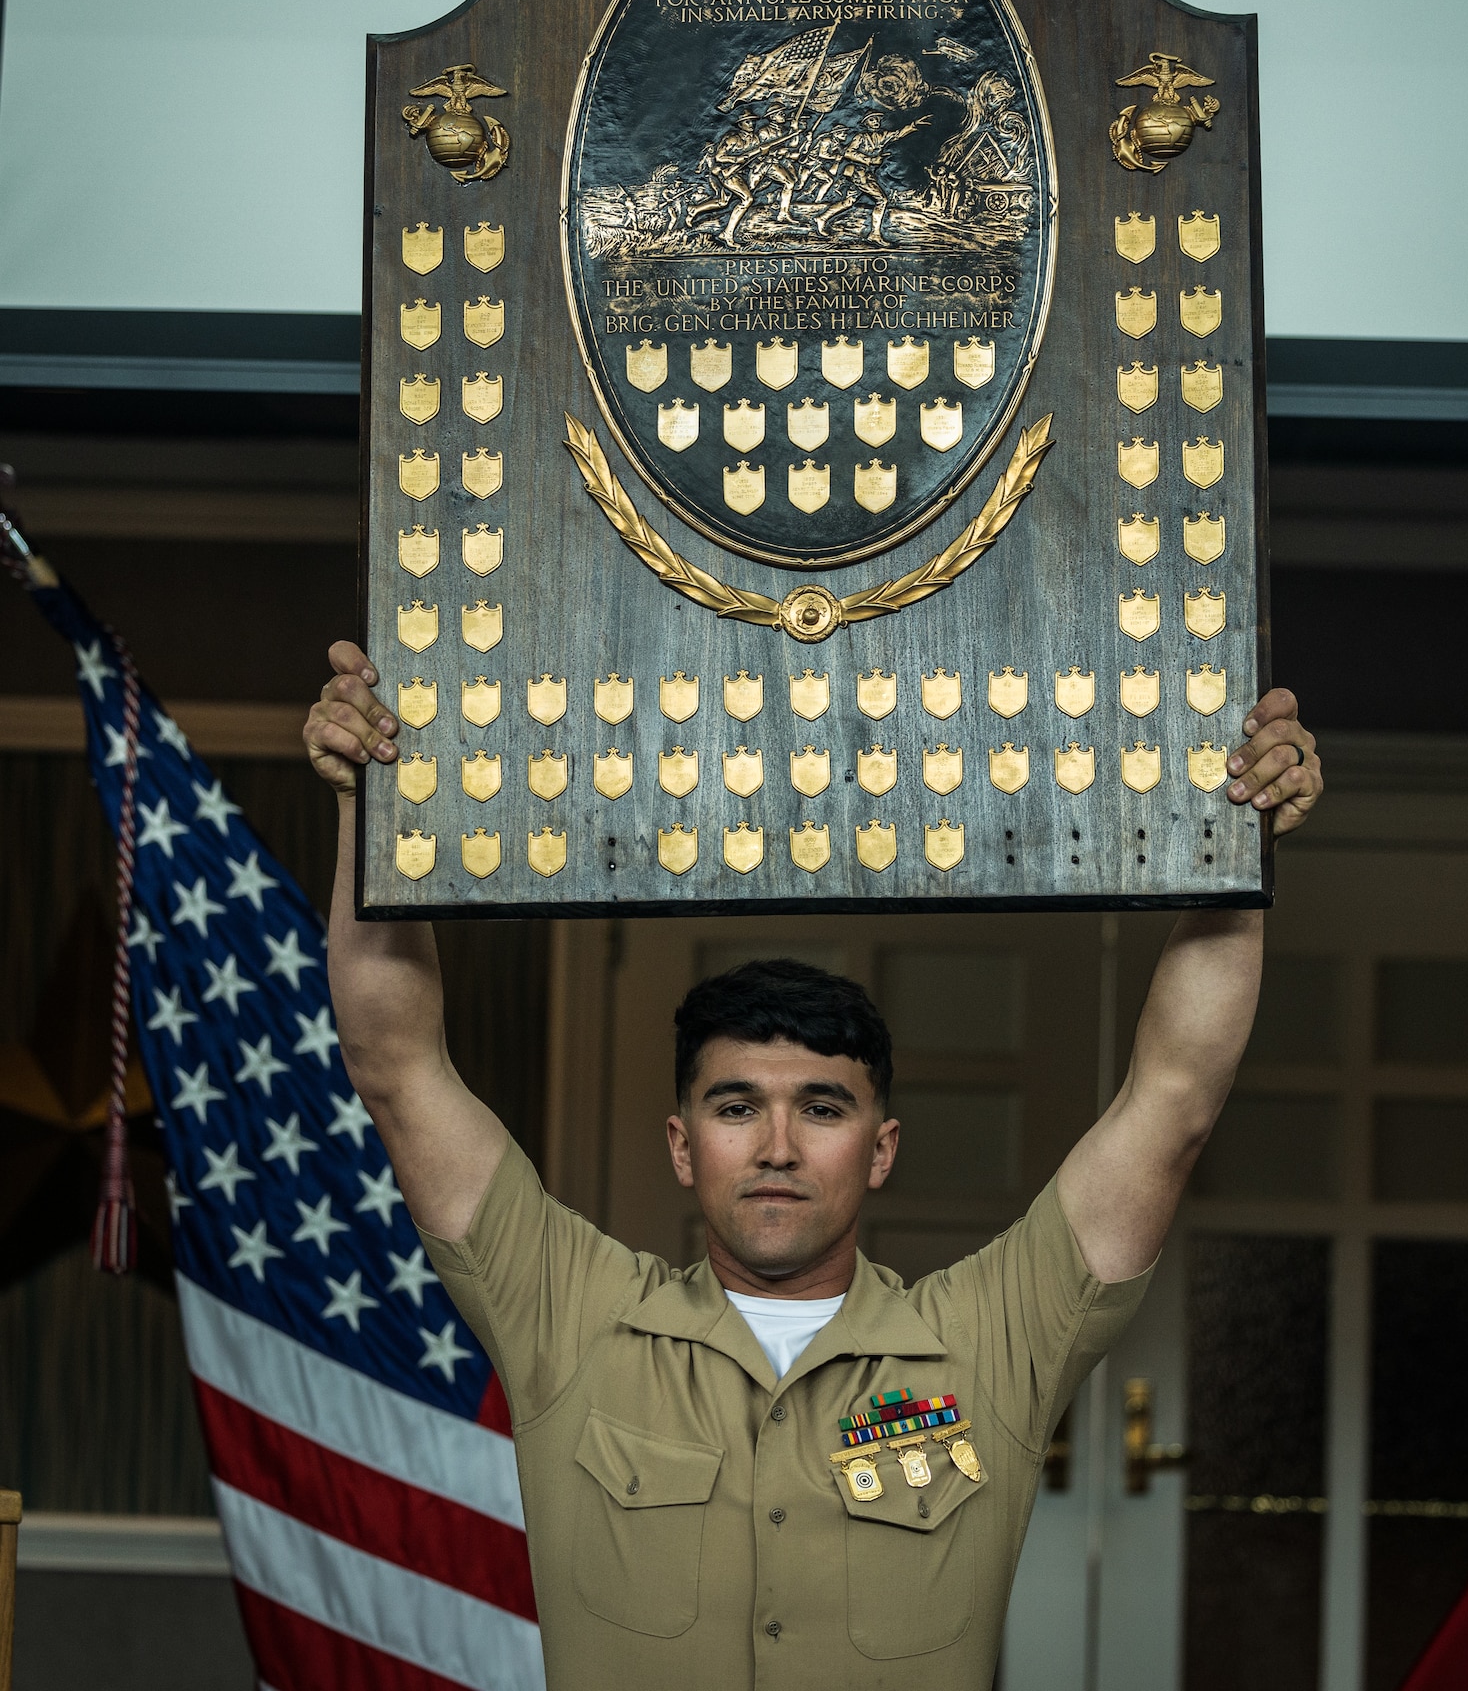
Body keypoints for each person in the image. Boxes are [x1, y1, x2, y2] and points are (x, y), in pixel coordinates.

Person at [304, 644, 1321, 1689]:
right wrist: (370, 800)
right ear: (682, 1141)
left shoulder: (988, 1341)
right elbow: (397, 1064)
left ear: (880, 1147)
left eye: (822, 1107)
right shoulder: (572, 1315)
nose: (778, 1145)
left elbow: (1175, 1098)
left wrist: (1238, 837)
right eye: (737, 1105)